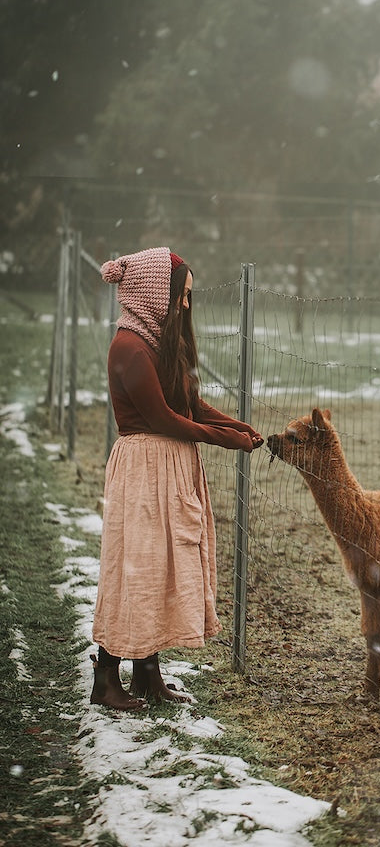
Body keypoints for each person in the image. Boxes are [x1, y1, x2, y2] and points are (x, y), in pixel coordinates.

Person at [90, 246, 263, 711]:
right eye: (180, 296)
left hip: (170, 469)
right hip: (144, 468)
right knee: (137, 568)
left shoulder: (161, 343)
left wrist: (234, 424)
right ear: (154, 293)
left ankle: (148, 674)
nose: (185, 305)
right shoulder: (129, 347)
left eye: (188, 297)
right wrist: (221, 440)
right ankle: (106, 678)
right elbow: (163, 419)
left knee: (162, 567)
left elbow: (189, 405)